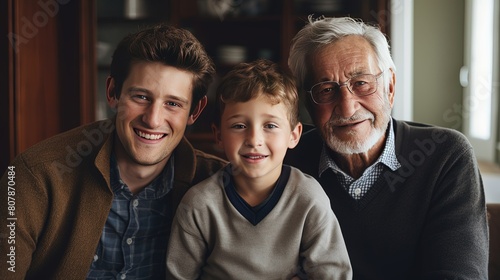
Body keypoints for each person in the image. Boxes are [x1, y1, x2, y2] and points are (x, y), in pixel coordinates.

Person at [0, 23, 227, 279]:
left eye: (173, 104)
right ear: (112, 93)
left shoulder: (218, 183)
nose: (153, 120)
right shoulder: (34, 174)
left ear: (194, 112)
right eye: (141, 97)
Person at [284, 16, 489, 279]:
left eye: (361, 83)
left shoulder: (445, 156)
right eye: (326, 89)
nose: (348, 107)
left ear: (390, 87)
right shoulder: (287, 161)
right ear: (309, 105)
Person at [166, 59, 353, 279]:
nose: (254, 140)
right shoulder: (199, 204)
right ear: (218, 135)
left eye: (270, 126)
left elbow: (332, 274)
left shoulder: (309, 199)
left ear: (294, 135)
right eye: (239, 126)